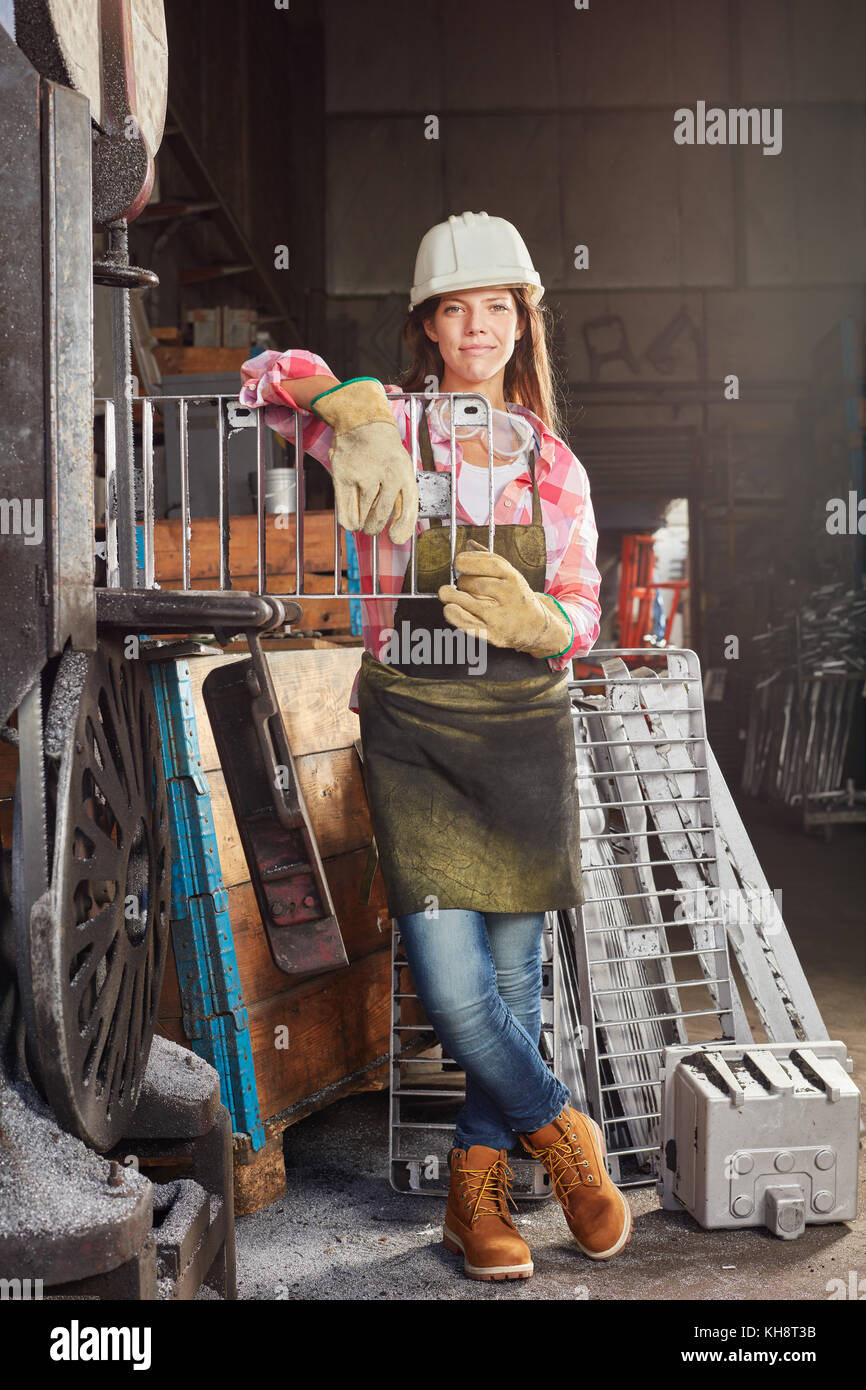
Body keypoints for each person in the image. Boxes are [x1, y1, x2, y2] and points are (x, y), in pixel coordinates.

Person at [239, 211, 632, 1282]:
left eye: (496, 308)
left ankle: (475, 1198)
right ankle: (563, 1132)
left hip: (519, 733)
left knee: (511, 983)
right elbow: (260, 375)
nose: (477, 327)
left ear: (522, 324)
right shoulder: (392, 431)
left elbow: (585, 614)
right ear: (426, 324)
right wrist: (338, 404)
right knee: (453, 986)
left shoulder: (552, 466)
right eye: (455, 309)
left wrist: (536, 623)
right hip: (411, 731)